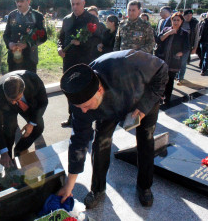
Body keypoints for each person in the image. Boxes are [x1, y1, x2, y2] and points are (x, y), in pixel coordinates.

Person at [57, 51, 168, 208]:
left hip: (142, 98)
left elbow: (162, 69)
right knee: (101, 141)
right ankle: (98, 189)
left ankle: (145, 186)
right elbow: (78, 142)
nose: (83, 111)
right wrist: (70, 183)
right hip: (108, 107)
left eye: (86, 106)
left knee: (146, 138)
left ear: (99, 90)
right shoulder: (80, 103)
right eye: (79, 107)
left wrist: (144, 105)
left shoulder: (126, 64)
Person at [57, 0, 101, 128]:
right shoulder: (67, 19)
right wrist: (59, 48)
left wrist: (81, 43)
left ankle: (87, 119)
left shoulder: (91, 19)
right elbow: (61, 38)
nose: (75, 7)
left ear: (84, 3)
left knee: (85, 91)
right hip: (69, 61)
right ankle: (72, 117)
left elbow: (97, 39)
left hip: (85, 61)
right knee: (70, 90)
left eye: (78, 4)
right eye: (73, 4)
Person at [0, 71, 48, 168]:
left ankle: (20, 149)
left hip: (28, 104)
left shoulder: (33, 81)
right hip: (7, 108)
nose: (14, 103)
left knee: (38, 127)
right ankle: (8, 158)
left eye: (17, 99)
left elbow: (43, 102)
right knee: (9, 129)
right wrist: (3, 152)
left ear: (23, 91)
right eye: (11, 99)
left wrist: (31, 123)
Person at [3, 0, 47, 73]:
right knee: (13, 84)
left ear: (28, 1)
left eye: (22, 1)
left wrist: (27, 44)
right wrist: (9, 43)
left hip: (29, 59)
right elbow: (6, 34)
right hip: (13, 59)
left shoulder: (37, 16)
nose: (19, 4)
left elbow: (43, 37)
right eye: (17, 1)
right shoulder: (12, 15)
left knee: (29, 85)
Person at [155, 12, 189, 105]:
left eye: (178, 20)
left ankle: (167, 98)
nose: (176, 22)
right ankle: (159, 97)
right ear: (171, 20)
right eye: (174, 20)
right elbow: (158, 40)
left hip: (174, 60)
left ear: (181, 21)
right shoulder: (166, 29)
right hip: (162, 58)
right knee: (160, 79)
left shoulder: (184, 33)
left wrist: (180, 53)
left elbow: (186, 47)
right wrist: (169, 33)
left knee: (170, 80)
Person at [176, 10, 199, 84]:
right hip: (177, 46)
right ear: (184, 16)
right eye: (187, 15)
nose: (189, 17)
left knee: (183, 63)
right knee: (176, 62)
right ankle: (176, 76)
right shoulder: (180, 22)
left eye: (191, 15)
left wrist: (195, 47)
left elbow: (196, 36)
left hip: (187, 47)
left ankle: (181, 78)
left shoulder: (194, 23)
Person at [195, 11, 208, 76]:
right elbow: (200, 32)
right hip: (202, 42)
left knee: (206, 57)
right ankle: (202, 65)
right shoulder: (203, 22)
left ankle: (203, 69)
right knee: (202, 55)